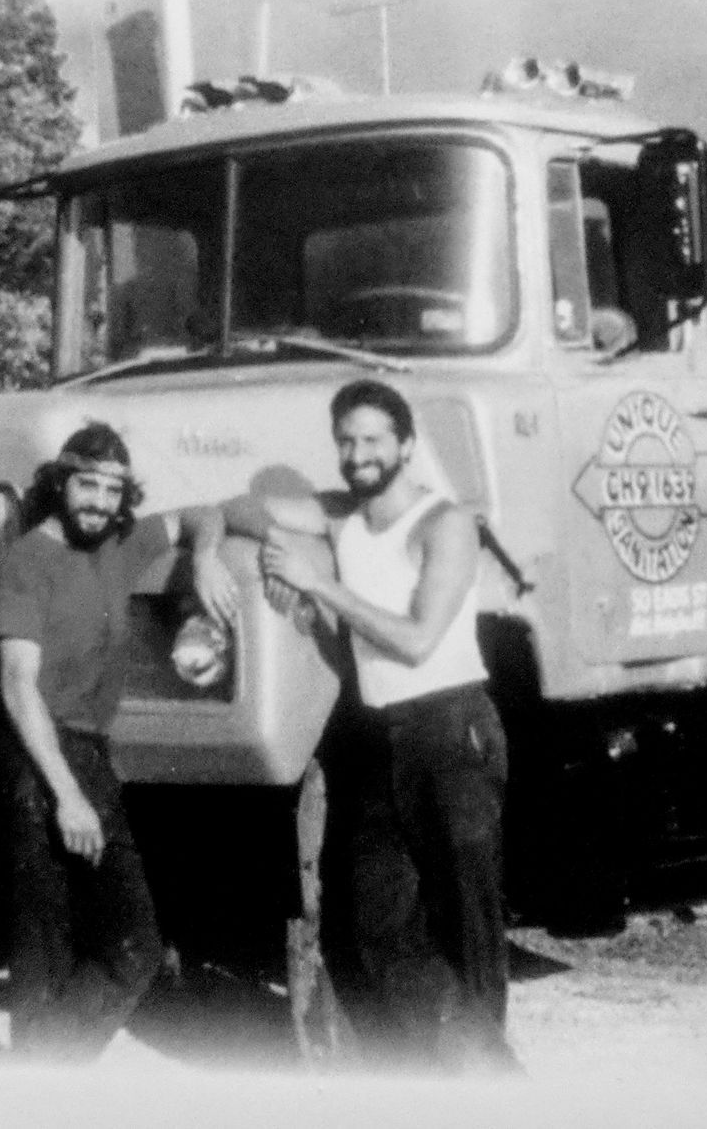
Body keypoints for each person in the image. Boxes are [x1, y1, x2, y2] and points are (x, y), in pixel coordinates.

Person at [206, 379, 517, 1072]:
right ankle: (486, 1074)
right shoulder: (341, 518)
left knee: (470, 926)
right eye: (346, 441)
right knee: (377, 924)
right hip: (382, 738)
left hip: (453, 728)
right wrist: (215, 558)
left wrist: (319, 583)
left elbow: (414, 640)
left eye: (374, 439)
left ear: (406, 445)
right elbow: (228, 508)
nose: (358, 454)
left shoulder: (447, 524)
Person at [0, 420, 235, 1061]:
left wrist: (206, 557)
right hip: (37, 760)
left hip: (90, 754)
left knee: (130, 944)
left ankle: (39, 1077)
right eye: (86, 485)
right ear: (59, 483)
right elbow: (19, 685)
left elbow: (203, 514)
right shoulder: (27, 561)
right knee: (50, 948)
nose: (99, 502)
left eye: (111, 489)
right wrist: (67, 796)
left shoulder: (119, 543)